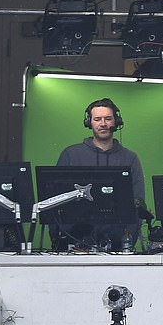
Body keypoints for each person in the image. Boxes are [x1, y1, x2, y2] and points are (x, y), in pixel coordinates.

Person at [53, 98, 145, 251]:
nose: (103, 124)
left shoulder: (130, 158)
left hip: (118, 246)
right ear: (89, 122)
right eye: (97, 119)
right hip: (76, 245)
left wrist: (127, 242)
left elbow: (138, 203)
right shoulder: (71, 155)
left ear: (116, 122)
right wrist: (60, 242)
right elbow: (56, 202)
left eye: (108, 118)